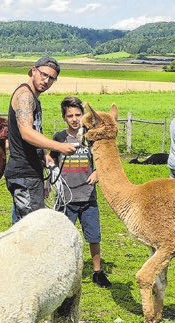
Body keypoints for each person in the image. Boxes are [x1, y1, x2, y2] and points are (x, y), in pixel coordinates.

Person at [5, 56, 77, 222]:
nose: (46, 80)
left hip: (30, 172)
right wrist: (59, 147)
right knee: (33, 228)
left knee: (22, 227)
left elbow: (34, 131)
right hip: (24, 172)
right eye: (43, 74)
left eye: (51, 78)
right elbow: (26, 132)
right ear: (33, 70)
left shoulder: (34, 98)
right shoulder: (25, 95)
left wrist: (45, 156)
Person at [49, 96, 111, 288]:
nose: (75, 119)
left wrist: (98, 172)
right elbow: (52, 160)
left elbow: (103, 160)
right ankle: (63, 271)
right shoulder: (59, 138)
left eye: (78, 115)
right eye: (70, 116)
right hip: (66, 198)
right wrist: (51, 171)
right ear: (64, 117)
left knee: (93, 235)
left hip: (88, 195)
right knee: (64, 237)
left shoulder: (90, 138)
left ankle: (97, 271)